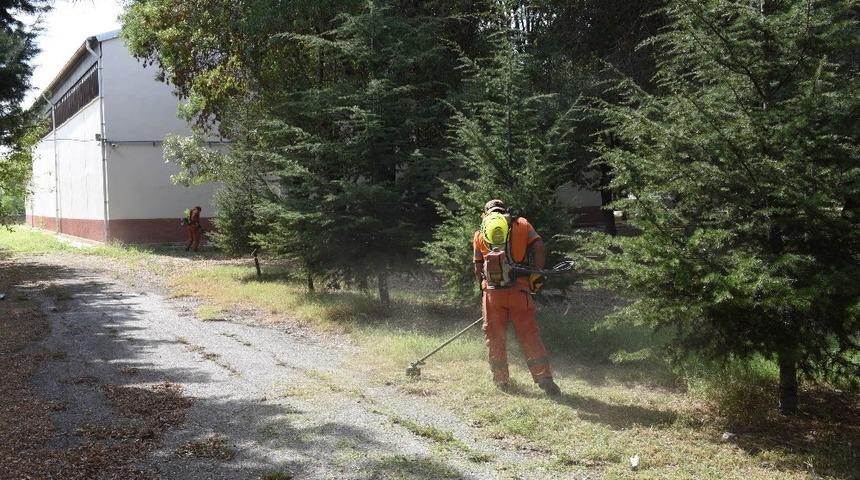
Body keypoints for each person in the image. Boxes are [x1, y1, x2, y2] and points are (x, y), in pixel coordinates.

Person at [473, 199, 561, 396]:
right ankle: (545, 379)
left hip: (493, 294)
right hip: (520, 290)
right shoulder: (522, 224)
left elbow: (478, 267)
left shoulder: (479, 234)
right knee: (529, 334)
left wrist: (484, 291)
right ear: (505, 211)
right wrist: (536, 275)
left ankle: (501, 381)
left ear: (486, 214)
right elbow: (539, 247)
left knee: (495, 337)